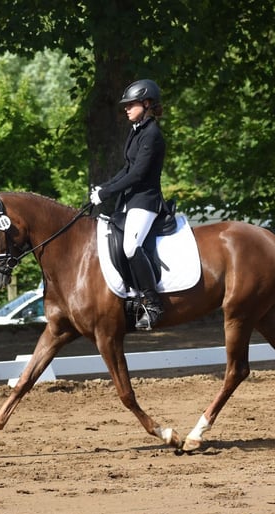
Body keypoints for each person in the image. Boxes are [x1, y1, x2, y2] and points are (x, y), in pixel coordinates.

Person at [90, 79, 167, 330]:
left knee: (132, 246)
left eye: (131, 104)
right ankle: (132, 298)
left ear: (146, 104)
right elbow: (126, 168)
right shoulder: (135, 132)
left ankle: (153, 304)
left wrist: (108, 193)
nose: (126, 108)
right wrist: (104, 187)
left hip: (145, 201)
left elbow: (138, 175)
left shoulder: (152, 134)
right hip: (130, 201)